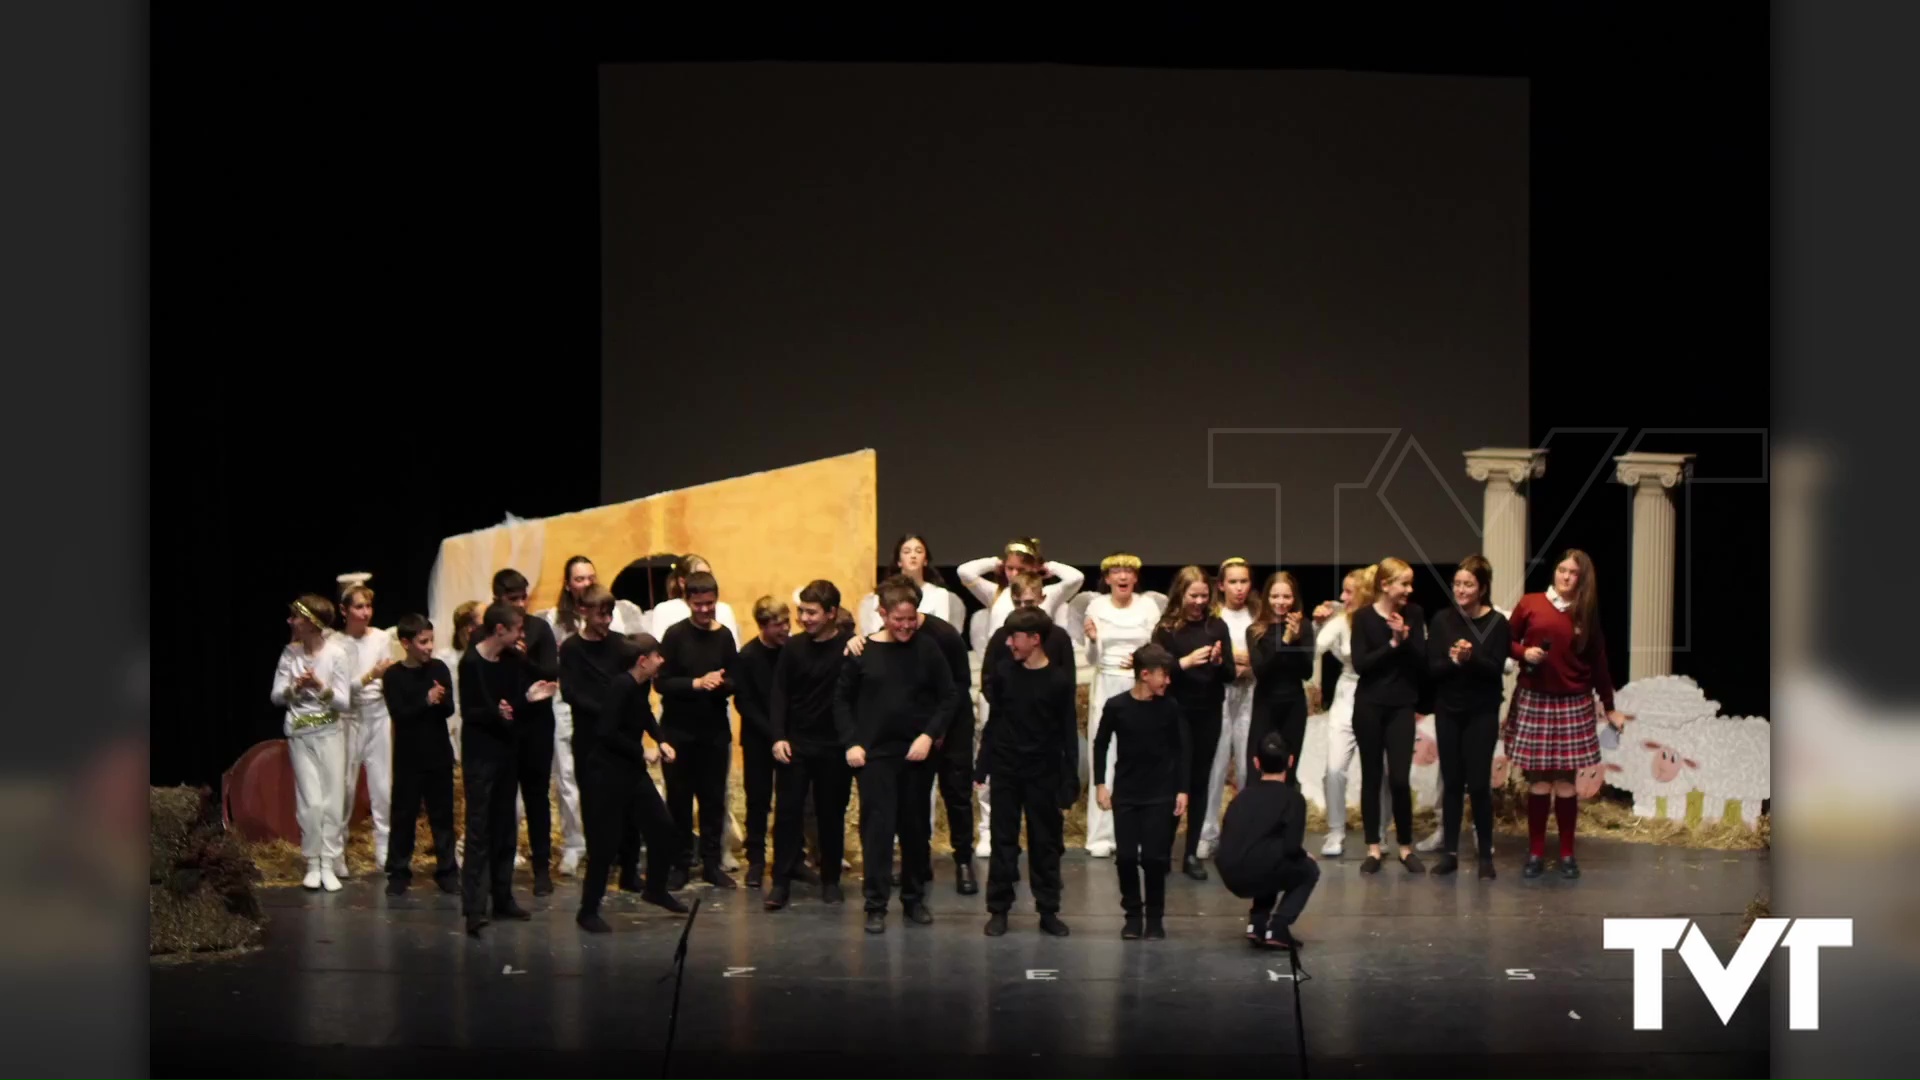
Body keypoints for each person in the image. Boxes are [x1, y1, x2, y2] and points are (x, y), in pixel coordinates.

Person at [835, 581, 959, 934]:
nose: (906, 626)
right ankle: (875, 904)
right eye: (899, 619)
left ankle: (914, 899)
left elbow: (948, 697)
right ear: (883, 615)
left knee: (915, 831)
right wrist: (851, 743)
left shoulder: (929, 649)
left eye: (911, 619)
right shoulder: (861, 651)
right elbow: (841, 701)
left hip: (915, 755)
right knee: (877, 831)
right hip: (875, 757)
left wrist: (928, 734)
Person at [1506, 549, 1632, 879]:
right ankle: (1534, 853)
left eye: (1572, 573)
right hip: (1535, 698)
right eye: (1561, 569)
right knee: (1538, 781)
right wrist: (1523, 652)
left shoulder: (1585, 613)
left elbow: (1599, 664)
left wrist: (1610, 707)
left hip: (1573, 702)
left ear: (1582, 579)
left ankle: (1565, 854)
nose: (1565, 576)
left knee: (1565, 782)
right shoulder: (1531, 603)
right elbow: (1504, 641)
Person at [860, 574, 977, 896]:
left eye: (907, 617)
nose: (903, 623)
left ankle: (963, 860)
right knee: (912, 799)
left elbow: (959, 687)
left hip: (950, 727)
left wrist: (937, 731)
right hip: (913, 731)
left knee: (956, 794)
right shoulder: (887, 636)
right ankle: (918, 862)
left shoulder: (942, 635)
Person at [577, 633, 690, 932]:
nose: (661, 660)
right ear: (643, 661)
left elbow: (646, 716)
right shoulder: (620, 687)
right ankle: (588, 910)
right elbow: (606, 732)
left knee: (663, 828)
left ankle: (655, 888)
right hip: (608, 775)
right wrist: (642, 750)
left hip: (631, 773)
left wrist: (661, 740)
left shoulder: (640, 685)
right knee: (605, 844)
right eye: (657, 656)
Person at [457, 601, 558, 936]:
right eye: (516, 630)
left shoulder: (513, 660)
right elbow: (472, 711)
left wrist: (528, 697)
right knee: (480, 828)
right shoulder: (472, 661)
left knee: (505, 826)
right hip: (481, 754)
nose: (520, 636)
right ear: (499, 630)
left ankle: (502, 897)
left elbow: (523, 692)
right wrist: (496, 711)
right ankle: (474, 906)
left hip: (507, 751)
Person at [976, 608, 1078, 938]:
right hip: (1008, 768)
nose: (1009, 643)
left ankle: (1048, 909)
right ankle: (999, 908)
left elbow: (1066, 731)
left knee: (1045, 842)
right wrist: (983, 763)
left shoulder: (1058, 681)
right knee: (1003, 839)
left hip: (1043, 771)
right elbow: (995, 722)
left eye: (1015, 637)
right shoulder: (1006, 673)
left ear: (1034, 640)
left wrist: (1069, 775)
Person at [542, 555, 645, 877]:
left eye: (590, 577)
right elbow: (565, 682)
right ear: (568, 585)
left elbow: (633, 666)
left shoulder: (619, 621)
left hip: (616, 715)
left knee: (622, 784)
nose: (585, 582)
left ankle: (623, 854)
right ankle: (577, 844)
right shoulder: (560, 627)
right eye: (579, 578)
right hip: (578, 714)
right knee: (572, 779)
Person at [766, 580, 854, 910]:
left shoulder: (849, 647)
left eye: (812, 612)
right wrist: (778, 736)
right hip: (796, 745)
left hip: (833, 747)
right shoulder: (793, 648)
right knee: (788, 816)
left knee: (831, 814)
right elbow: (779, 694)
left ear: (831, 613)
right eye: (802, 611)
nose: (804, 618)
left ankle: (831, 878)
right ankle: (780, 882)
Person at [1093, 643, 1189, 941]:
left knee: (1154, 858)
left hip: (1159, 793)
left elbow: (1181, 749)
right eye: (1164, 675)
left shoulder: (1169, 707)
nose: (1168, 681)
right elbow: (1100, 744)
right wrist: (1100, 784)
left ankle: (1155, 917)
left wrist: (1182, 789)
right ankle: (1132, 915)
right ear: (1145, 674)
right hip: (1127, 793)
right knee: (1124, 857)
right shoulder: (1117, 706)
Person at [1426, 555, 1511, 879]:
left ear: (1483, 588)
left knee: (1478, 784)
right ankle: (1449, 853)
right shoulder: (1442, 621)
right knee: (1451, 783)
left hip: (1482, 712)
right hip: (1448, 710)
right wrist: (1453, 660)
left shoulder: (1497, 623)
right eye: (1457, 584)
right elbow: (1432, 668)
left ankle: (1485, 856)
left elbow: (1494, 669)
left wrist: (1471, 656)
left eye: (1468, 584)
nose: (1461, 590)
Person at [656, 570, 740, 888]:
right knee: (678, 799)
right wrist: (696, 683)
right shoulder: (675, 635)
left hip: (714, 731)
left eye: (709, 603)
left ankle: (711, 863)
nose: (704, 610)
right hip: (679, 731)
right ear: (688, 601)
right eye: (698, 604)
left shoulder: (724, 636)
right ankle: (680, 863)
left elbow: (735, 678)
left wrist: (720, 684)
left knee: (713, 799)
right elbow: (662, 682)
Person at [1151, 566, 1232, 879]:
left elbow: (1227, 676)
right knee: (1175, 781)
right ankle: (1164, 849)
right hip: (1176, 711)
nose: (1199, 601)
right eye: (1193, 595)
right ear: (1180, 594)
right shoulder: (1168, 629)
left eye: (1204, 595)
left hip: (1208, 710)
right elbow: (1157, 672)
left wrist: (1217, 662)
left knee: (1199, 782)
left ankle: (1190, 855)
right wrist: (1183, 663)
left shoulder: (1217, 626)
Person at [271, 594, 353, 892]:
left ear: (311, 623)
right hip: (300, 734)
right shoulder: (290, 655)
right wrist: (296, 687)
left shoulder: (336, 655)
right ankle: (313, 862)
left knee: (332, 799)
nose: (291, 621)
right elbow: (276, 696)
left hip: (329, 733)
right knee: (311, 802)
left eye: (296, 617)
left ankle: (329, 862)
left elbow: (344, 702)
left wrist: (320, 686)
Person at [1351, 558, 1428, 874]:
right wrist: (1393, 643)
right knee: (1371, 775)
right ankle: (1373, 847)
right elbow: (1361, 664)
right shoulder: (1364, 618)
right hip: (1369, 704)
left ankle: (1406, 847)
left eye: (1411, 584)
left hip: (1401, 705)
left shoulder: (1414, 614)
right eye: (1403, 583)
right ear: (1385, 585)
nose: (1409, 590)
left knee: (1398, 778)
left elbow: (1422, 661)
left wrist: (1406, 640)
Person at [1082, 553, 1161, 858]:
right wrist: (1090, 640)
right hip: (1107, 683)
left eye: (1128, 571)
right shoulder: (1097, 606)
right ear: (1108, 578)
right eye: (1117, 571)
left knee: (1139, 755)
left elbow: (1157, 647)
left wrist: (1144, 661)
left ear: (1136, 577)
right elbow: (1091, 658)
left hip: (1138, 684)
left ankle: (1137, 832)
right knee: (1104, 751)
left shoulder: (1147, 606)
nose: (1123, 576)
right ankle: (1102, 833)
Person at [1311, 567, 1390, 857]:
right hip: (1346, 695)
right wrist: (1318, 624)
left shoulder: (1382, 621)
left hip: (1377, 693)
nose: (1342, 597)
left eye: (1349, 591)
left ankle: (1380, 832)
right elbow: (1315, 649)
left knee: (1381, 769)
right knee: (1334, 768)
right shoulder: (1342, 621)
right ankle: (1335, 832)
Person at [1216, 731, 1320, 951]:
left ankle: (1257, 923)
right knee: (1308, 870)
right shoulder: (1293, 799)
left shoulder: (1241, 797)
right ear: (1291, 761)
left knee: (1267, 853)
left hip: (1230, 873)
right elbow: (1292, 848)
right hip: (1260, 869)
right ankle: (1279, 927)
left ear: (1255, 762)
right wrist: (1305, 856)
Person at [492, 569, 561, 896]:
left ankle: (541, 869)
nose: (520, 604)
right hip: (504, 725)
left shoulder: (538, 629)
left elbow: (550, 672)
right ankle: (502, 870)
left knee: (537, 797)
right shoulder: (491, 631)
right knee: (504, 799)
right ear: (498, 599)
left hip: (537, 723)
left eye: (523, 597)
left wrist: (523, 657)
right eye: (513, 599)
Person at [380, 613, 460, 896]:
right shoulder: (393, 676)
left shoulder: (439, 668)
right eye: (423, 642)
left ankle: (447, 870)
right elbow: (399, 714)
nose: (429, 647)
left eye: (431, 641)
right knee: (404, 815)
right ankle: (399, 871)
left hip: (438, 755)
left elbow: (449, 708)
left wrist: (438, 700)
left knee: (442, 816)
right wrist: (426, 700)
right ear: (406, 642)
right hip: (408, 759)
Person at [1200, 557, 1261, 860]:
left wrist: (1245, 660)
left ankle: (1246, 832)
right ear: (1221, 585)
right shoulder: (1213, 616)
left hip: (1251, 692)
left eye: (1244, 581)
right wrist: (1236, 661)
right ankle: (1208, 832)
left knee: (1249, 765)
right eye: (1233, 582)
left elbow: (1263, 655)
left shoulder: (1257, 615)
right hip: (1221, 695)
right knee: (1217, 763)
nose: (1239, 588)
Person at [335, 580, 395, 875]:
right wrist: (371, 675)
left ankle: (384, 847)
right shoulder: (336, 643)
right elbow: (343, 688)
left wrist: (377, 681)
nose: (366, 612)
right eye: (359, 606)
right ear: (344, 610)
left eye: (368, 606)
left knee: (382, 785)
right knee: (345, 785)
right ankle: (337, 850)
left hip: (377, 715)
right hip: (348, 719)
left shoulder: (381, 638)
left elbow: (386, 677)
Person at [731, 595, 790, 888]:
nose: (786, 629)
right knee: (758, 800)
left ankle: (791, 857)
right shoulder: (748, 656)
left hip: (789, 738)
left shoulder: (791, 651)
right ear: (763, 626)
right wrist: (773, 732)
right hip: (758, 739)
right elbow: (744, 702)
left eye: (787, 622)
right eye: (779, 625)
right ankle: (756, 860)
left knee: (791, 799)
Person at [1247, 572, 1314, 787]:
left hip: (1293, 705)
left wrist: (1295, 642)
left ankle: (1286, 815)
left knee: (1289, 768)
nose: (1281, 602)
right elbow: (1262, 672)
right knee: (1257, 768)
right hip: (1265, 704)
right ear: (1267, 598)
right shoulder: (1256, 630)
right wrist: (1285, 641)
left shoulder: (1303, 627)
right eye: (1275, 597)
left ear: (1294, 599)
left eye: (1286, 597)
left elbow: (1306, 671)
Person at [854, 534, 958, 634]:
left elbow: (941, 631)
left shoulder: (939, 594)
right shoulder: (879, 596)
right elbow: (873, 631)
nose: (913, 555)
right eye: (907, 552)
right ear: (899, 561)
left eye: (918, 551)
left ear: (925, 560)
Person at [648, 553, 741, 643]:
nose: (704, 610)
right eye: (698, 576)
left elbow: (733, 647)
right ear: (682, 582)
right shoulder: (665, 610)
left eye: (708, 575)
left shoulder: (724, 610)